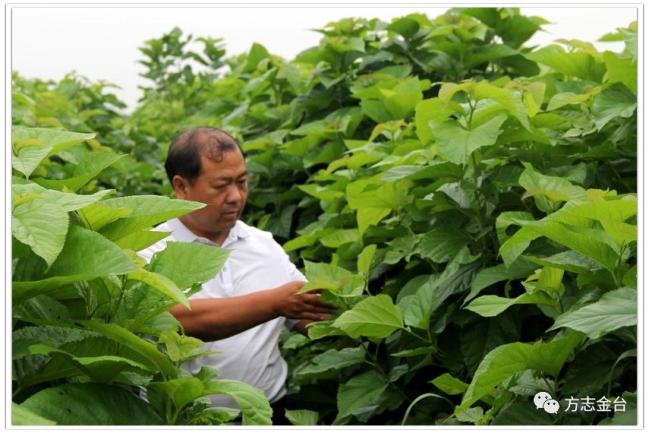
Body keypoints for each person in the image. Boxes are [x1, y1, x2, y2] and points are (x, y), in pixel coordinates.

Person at [138, 126, 333, 423]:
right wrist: (276, 303)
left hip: (266, 415)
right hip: (179, 419)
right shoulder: (149, 249)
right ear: (181, 187)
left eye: (242, 182)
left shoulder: (263, 246)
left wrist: (350, 312)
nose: (235, 196)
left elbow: (306, 313)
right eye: (221, 185)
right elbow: (176, 318)